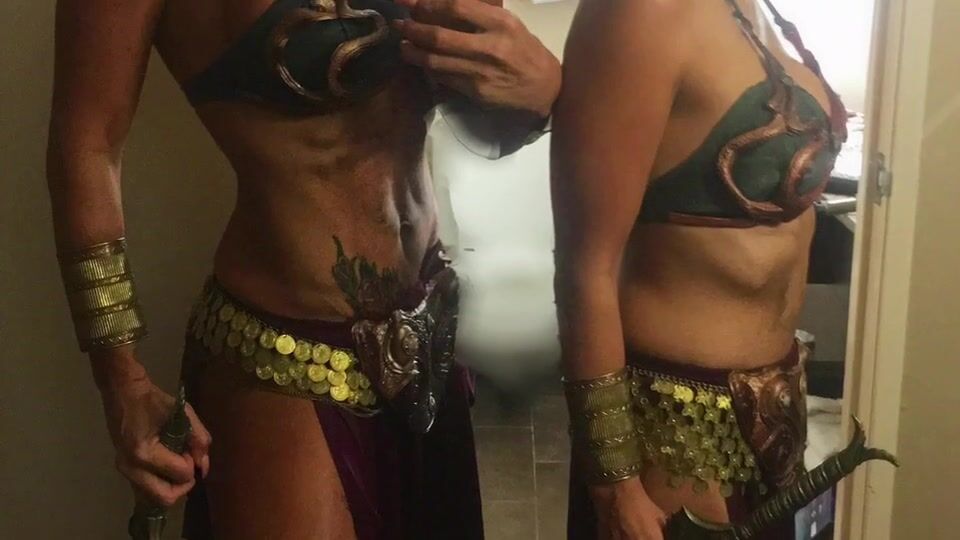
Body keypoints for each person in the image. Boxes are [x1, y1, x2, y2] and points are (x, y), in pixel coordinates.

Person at [46, 0, 559, 537]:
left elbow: (483, 117)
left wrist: (540, 99)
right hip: (284, 357)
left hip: (430, 331)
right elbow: (86, 147)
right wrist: (122, 381)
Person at [551, 1, 849, 539]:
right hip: (677, 437)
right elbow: (585, 267)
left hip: (775, 416)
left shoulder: (756, 12)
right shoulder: (640, 13)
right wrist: (614, 482)